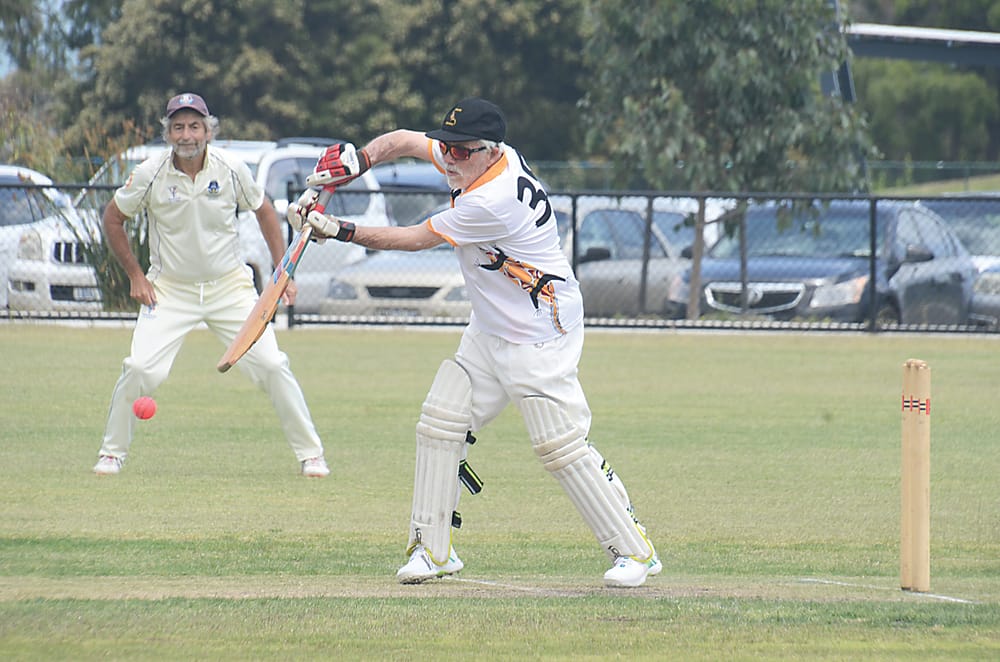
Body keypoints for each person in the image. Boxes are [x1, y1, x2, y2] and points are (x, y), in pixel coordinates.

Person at [289, 97, 660, 587]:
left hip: (539, 331)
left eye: (463, 153)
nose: (451, 159)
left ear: (490, 151)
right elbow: (402, 140)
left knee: (559, 444)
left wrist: (338, 229)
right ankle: (432, 550)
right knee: (441, 422)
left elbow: (415, 238)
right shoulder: (472, 156)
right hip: (490, 327)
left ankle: (634, 551)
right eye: (449, 149)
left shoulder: (495, 198)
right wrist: (359, 162)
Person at [92, 92, 329, 478]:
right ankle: (111, 453)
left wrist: (282, 272)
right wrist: (136, 275)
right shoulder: (150, 173)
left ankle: (312, 455)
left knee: (272, 364)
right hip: (169, 289)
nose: (188, 135)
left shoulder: (231, 168)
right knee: (139, 369)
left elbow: (266, 211)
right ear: (168, 133)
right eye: (179, 127)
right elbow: (113, 217)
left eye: (195, 126)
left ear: (208, 131)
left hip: (229, 288)